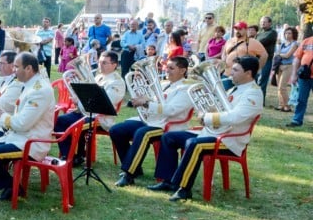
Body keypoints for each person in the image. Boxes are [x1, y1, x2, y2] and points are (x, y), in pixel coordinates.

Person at [148, 56, 263, 201]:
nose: (230, 73)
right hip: (213, 132)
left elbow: (236, 117)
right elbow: (220, 109)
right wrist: (206, 108)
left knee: (194, 144)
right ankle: (167, 181)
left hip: (229, 140)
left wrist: (207, 117)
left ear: (248, 73)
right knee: (168, 137)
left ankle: (184, 189)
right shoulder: (235, 88)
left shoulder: (253, 93)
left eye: (235, 70)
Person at [0, 52, 55, 205]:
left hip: (31, 143)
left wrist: (2, 117)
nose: (14, 70)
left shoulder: (40, 90)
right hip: (19, 137)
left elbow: (22, 123)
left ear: (29, 69)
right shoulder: (30, 84)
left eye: (16, 67)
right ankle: (12, 186)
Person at [111, 56, 194, 187]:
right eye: (167, 67)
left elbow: (172, 110)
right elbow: (151, 101)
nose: (167, 70)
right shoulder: (164, 84)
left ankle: (129, 174)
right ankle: (135, 167)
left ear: (183, 70)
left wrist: (147, 103)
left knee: (143, 133)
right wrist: (141, 98)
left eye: (171, 68)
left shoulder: (186, 88)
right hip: (153, 121)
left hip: (170, 125)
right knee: (117, 130)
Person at [54, 51, 126, 161]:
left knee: (74, 125)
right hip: (85, 112)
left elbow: (103, 104)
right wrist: (76, 87)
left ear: (114, 65)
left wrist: (79, 101)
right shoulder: (98, 77)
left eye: (104, 63)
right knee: (59, 121)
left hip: (101, 118)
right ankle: (69, 156)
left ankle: (78, 155)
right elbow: (87, 95)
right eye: (99, 62)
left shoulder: (117, 82)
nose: (100, 65)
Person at [286, 28, 313, 128]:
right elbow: (297, 58)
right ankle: (297, 120)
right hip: (304, 76)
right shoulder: (306, 41)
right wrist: (294, 74)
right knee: (301, 99)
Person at [274, 27, 298, 112]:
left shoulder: (295, 44)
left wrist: (279, 54)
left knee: (282, 87)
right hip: (279, 66)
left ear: (293, 34)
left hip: (288, 66)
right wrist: (279, 51)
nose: (287, 35)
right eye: (286, 33)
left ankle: (287, 106)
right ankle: (281, 104)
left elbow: (288, 55)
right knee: (278, 87)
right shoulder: (283, 43)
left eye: (289, 33)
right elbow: (277, 53)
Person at [255, 16, 278, 102]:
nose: (262, 23)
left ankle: (261, 101)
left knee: (262, 80)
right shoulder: (259, 34)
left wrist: (254, 43)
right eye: (261, 22)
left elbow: (263, 41)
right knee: (255, 79)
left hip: (266, 60)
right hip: (256, 59)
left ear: (270, 23)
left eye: (264, 22)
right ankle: (254, 100)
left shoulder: (272, 33)